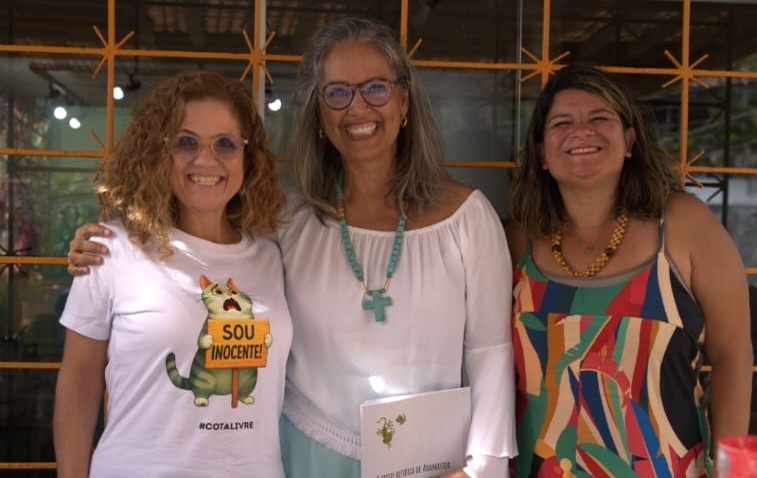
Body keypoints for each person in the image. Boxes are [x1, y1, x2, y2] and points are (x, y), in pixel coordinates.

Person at [65, 17, 517, 478]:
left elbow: (491, 350)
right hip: (307, 457)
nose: (357, 107)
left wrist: (484, 467)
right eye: (337, 92)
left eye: (376, 88)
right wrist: (108, 244)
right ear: (320, 113)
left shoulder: (468, 219)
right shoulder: (286, 223)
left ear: (404, 100)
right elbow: (200, 232)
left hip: (431, 465)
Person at [505, 64, 752, 477]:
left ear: (630, 141)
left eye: (599, 117)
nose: (582, 131)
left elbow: (732, 355)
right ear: (542, 154)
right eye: (562, 122)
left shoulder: (684, 226)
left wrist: (732, 473)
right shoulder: (516, 242)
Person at [53, 70, 293, 478]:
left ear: (247, 156)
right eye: (186, 142)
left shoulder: (273, 256)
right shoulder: (110, 249)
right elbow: (79, 382)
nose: (206, 160)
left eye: (225, 143)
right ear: (157, 153)